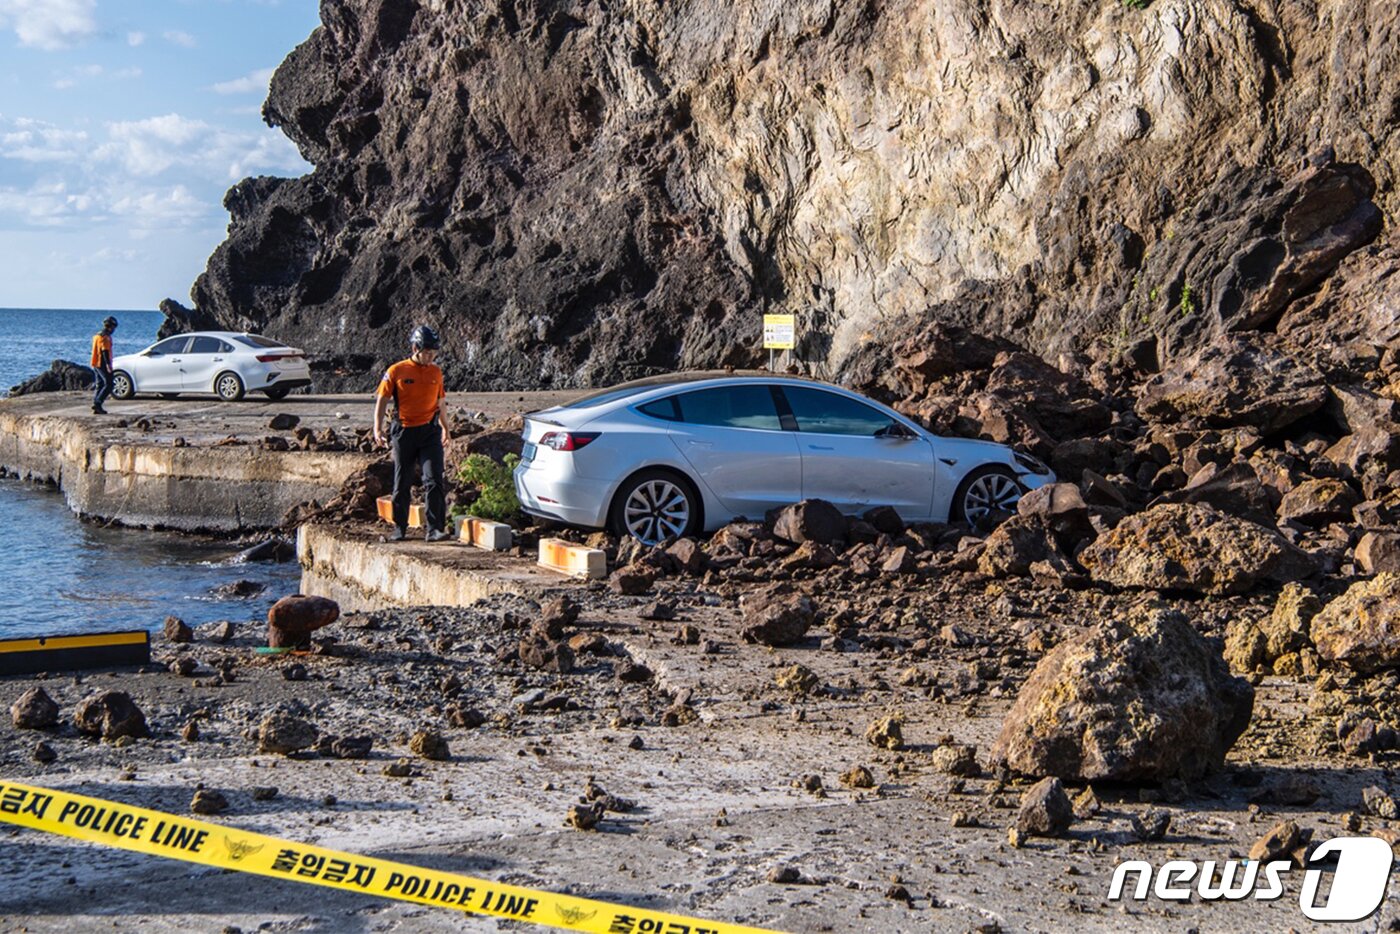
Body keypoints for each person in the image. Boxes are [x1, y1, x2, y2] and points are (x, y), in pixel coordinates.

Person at [373, 324, 452, 542]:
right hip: (404, 432)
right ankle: (400, 527)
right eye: (427, 353)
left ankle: (435, 528)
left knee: (434, 478)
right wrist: (377, 428)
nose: (430, 357)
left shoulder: (436, 372)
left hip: (429, 431)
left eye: (433, 354)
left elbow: (441, 402)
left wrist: (446, 428)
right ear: (415, 348)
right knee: (403, 479)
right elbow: (382, 400)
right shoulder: (396, 371)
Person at [90, 316, 118, 414]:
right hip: (102, 363)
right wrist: (108, 365)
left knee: (100, 384)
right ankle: (98, 403)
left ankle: (96, 404)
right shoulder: (105, 337)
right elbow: (104, 351)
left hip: (95, 362)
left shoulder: (97, 335)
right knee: (109, 384)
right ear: (111, 327)